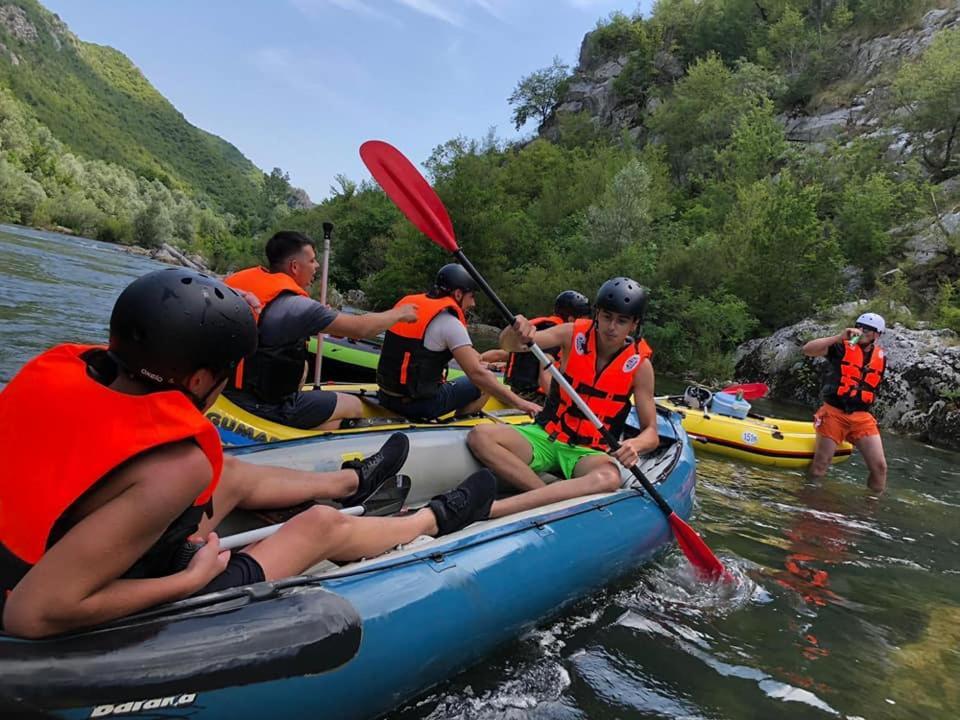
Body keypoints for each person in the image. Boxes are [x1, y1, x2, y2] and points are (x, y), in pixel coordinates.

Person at [0, 269, 495, 639]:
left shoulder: (62, 368)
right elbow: (32, 613)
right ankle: (433, 519)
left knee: (230, 474)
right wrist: (185, 581)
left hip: (45, 553)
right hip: (55, 607)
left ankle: (351, 483)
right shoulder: (177, 466)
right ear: (198, 381)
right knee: (318, 526)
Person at [467, 277, 660, 517]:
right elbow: (511, 345)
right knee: (480, 436)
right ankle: (543, 495)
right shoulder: (571, 334)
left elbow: (651, 432)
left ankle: (494, 510)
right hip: (547, 435)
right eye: (607, 317)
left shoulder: (640, 367)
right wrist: (514, 331)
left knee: (610, 477)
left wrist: (634, 444)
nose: (612, 327)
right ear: (597, 314)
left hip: (588, 452)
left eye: (621, 321)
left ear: (633, 325)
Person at [223, 231, 418, 430]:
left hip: (227, 391)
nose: (316, 266)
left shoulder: (238, 284)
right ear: (295, 267)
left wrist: (319, 322)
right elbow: (361, 329)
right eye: (312, 260)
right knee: (354, 406)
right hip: (266, 406)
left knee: (319, 398)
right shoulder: (297, 307)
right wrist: (400, 314)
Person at [376, 263, 542, 421]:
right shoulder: (449, 322)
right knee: (485, 383)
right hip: (420, 406)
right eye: (471, 296)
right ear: (458, 294)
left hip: (385, 395)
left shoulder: (409, 306)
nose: (473, 303)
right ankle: (457, 426)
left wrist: (481, 361)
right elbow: (477, 375)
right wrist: (521, 403)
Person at [802, 311, 888, 492]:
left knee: (880, 467)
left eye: (868, 330)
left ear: (877, 334)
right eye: (859, 327)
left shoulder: (879, 356)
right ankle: (809, 499)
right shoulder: (840, 347)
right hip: (833, 413)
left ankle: (871, 506)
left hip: (862, 417)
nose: (861, 331)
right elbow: (808, 350)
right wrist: (838, 337)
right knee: (821, 464)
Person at [502, 290, 591, 400]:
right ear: (571, 319)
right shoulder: (557, 332)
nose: (586, 323)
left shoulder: (546, 327)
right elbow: (544, 377)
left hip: (517, 389)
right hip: (532, 396)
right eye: (584, 319)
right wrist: (561, 405)